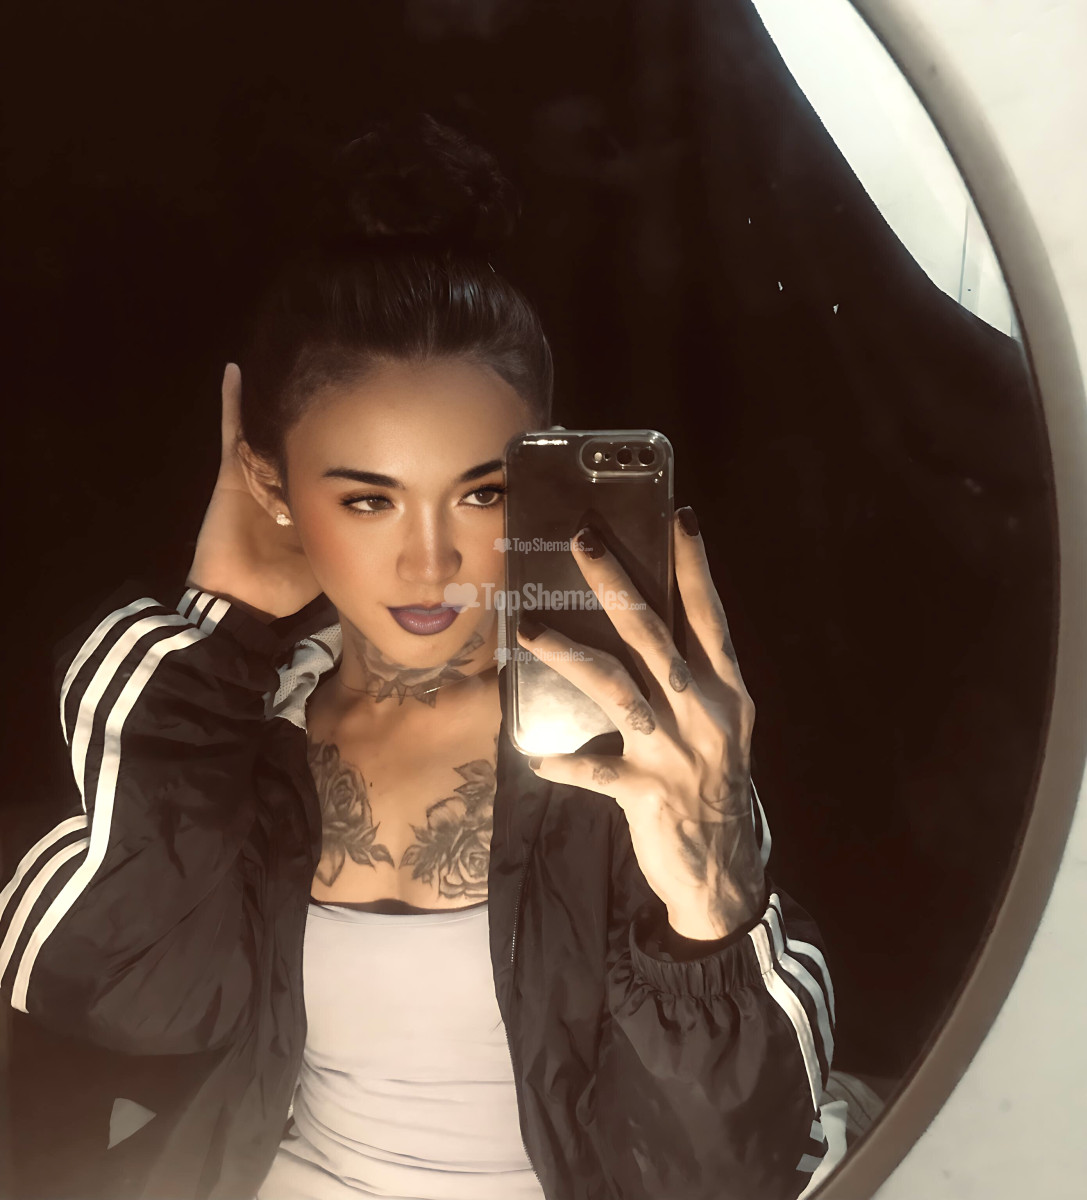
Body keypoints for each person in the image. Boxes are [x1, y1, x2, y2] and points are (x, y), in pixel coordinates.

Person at [0, 114, 838, 1200]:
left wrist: (710, 911)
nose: (430, 560)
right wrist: (221, 627)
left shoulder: (623, 745)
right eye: (368, 499)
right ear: (270, 486)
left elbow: (717, 1175)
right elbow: (124, 993)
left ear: (541, 476)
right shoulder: (246, 735)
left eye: (482, 493)